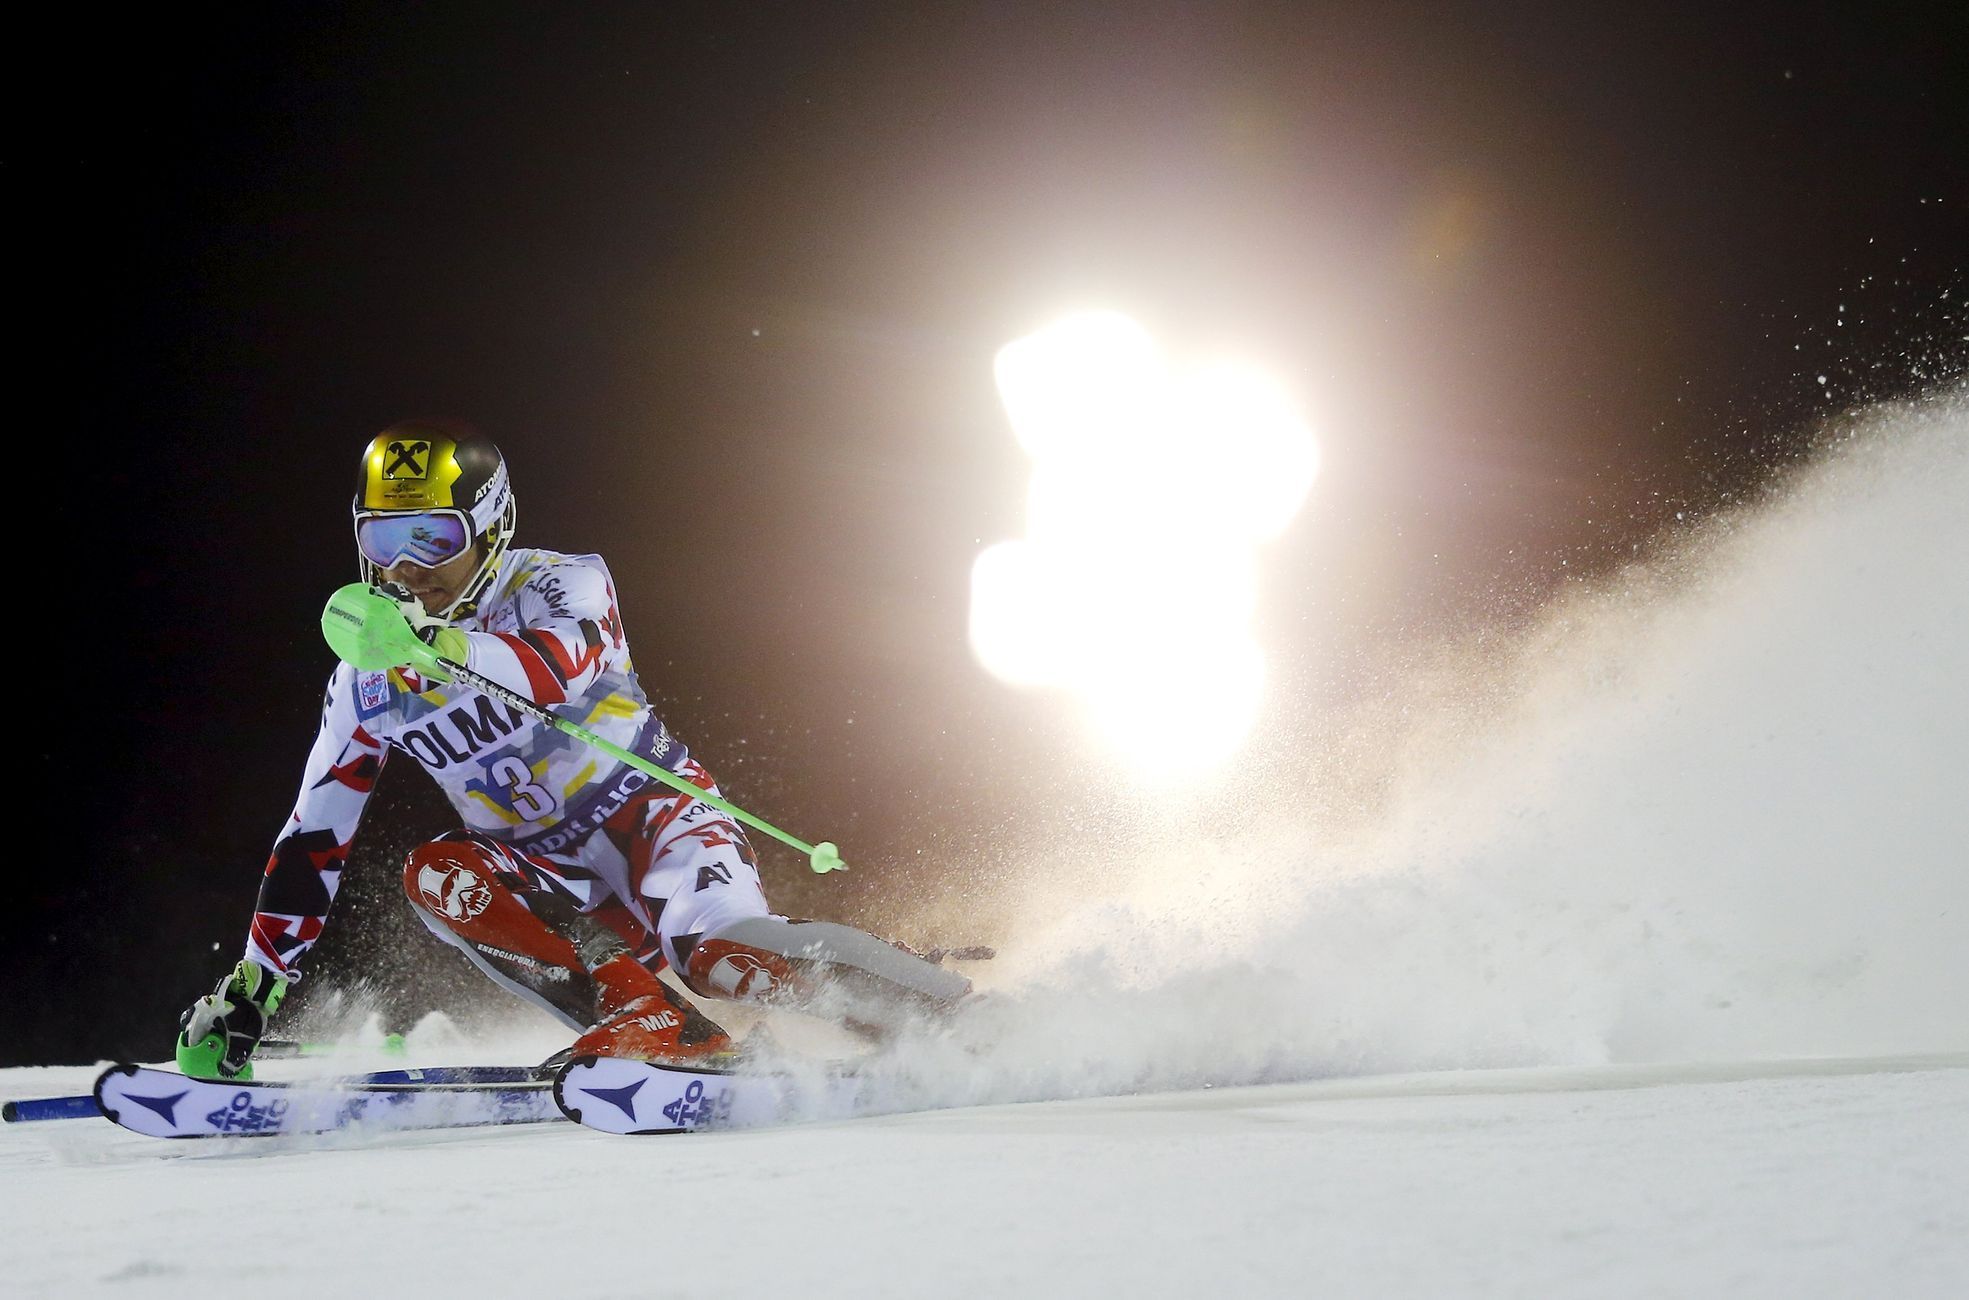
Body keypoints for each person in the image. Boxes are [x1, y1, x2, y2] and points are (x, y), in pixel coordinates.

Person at [176, 419, 970, 1079]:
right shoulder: (365, 681)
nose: (406, 567)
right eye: (383, 538)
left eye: (432, 535)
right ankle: (650, 1021)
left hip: (656, 823)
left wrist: (438, 647)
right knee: (438, 873)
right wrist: (256, 984)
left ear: (489, 527)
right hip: (550, 877)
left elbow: (556, 669)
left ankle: (963, 1012)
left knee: (717, 954)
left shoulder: (561, 581)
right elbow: (314, 838)